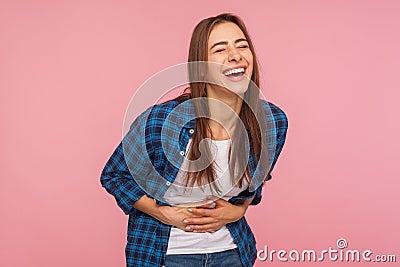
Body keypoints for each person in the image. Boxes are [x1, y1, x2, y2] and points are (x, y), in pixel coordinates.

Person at [100, 13, 288, 267]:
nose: (236, 55)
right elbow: (114, 175)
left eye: (242, 45)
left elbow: (256, 180)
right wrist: (163, 213)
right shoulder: (161, 120)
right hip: (166, 256)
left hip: (233, 254)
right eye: (220, 49)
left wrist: (238, 210)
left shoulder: (272, 122)